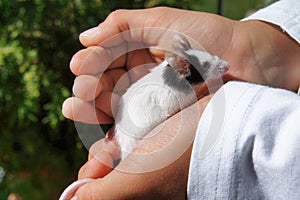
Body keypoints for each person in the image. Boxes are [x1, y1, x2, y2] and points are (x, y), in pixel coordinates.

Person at [62, 0, 300, 199]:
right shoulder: (176, 91)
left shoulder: (176, 82)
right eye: (207, 65)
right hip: (135, 134)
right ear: (183, 69)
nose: (221, 65)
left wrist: (211, 137)